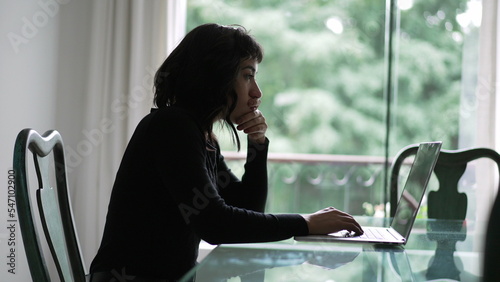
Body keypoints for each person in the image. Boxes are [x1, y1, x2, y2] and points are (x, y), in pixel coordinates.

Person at [89, 23, 363, 281]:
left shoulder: (201, 135)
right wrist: (306, 222)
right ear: (215, 76)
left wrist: (257, 144)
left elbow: (245, 208)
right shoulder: (171, 128)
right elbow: (216, 225)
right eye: (247, 75)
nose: (257, 92)